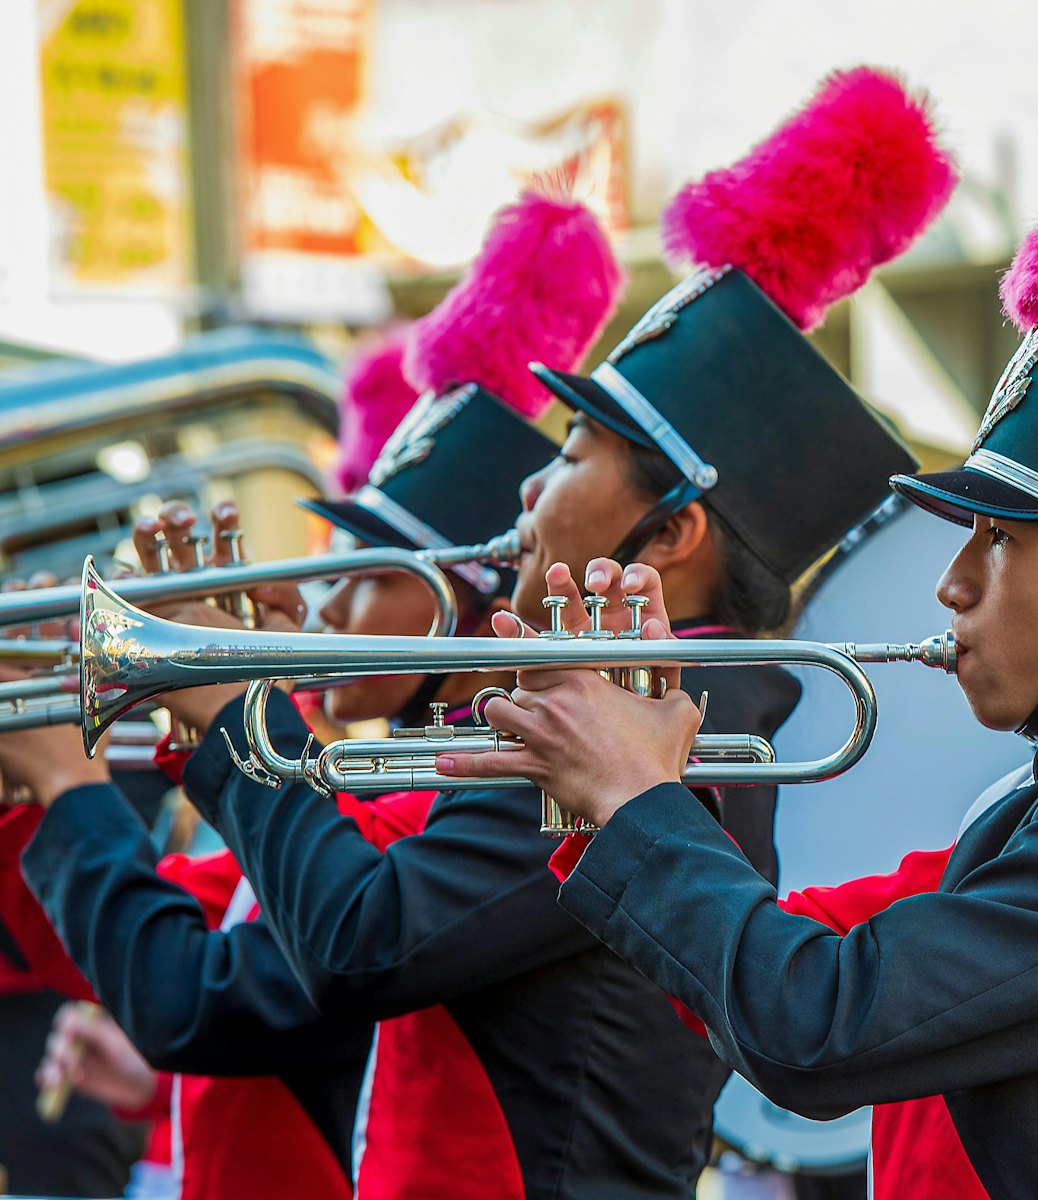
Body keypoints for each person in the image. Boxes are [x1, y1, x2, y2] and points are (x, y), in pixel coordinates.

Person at [445, 46, 1038, 1200]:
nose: (950, 586)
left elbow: (819, 1030)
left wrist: (640, 801)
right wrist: (639, 784)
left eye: (1000, 545)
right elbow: (776, 963)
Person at [133, 68, 945, 1199]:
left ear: (672, 534)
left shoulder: (632, 713)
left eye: (565, 457)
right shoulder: (633, 694)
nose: (523, 496)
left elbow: (368, 937)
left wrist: (235, 715)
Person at [0, 190, 613, 1200]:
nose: (324, 600)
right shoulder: (359, 792)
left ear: (463, 607)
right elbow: (156, 963)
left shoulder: (434, 807)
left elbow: (209, 996)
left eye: (365, 575)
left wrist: (81, 785)